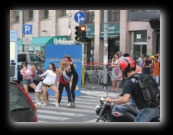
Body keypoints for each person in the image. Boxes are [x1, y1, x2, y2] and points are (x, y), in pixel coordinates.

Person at [105, 57, 160, 122]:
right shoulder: (145, 76)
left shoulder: (129, 82)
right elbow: (158, 88)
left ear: (123, 69)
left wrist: (111, 100)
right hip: (157, 109)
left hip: (147, 111)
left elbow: (125, 99)